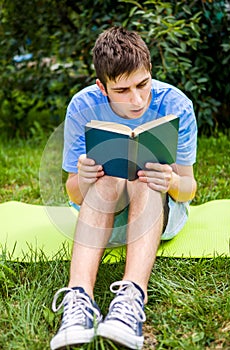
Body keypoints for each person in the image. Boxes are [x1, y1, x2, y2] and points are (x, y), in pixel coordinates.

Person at [50, 26, 197, 350]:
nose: (137, 99)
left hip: (159, 216)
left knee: (143, 176)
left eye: (143, 84)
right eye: (122, 90)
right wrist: (85, 179)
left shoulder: (177, 104)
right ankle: (78, 301)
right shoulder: (82, 106)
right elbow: (74, 194)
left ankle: (131, 301)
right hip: (105, 219)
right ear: (102, 87)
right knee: (110, 178)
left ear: (150, 72)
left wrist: (170, 181)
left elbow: (188, 189)